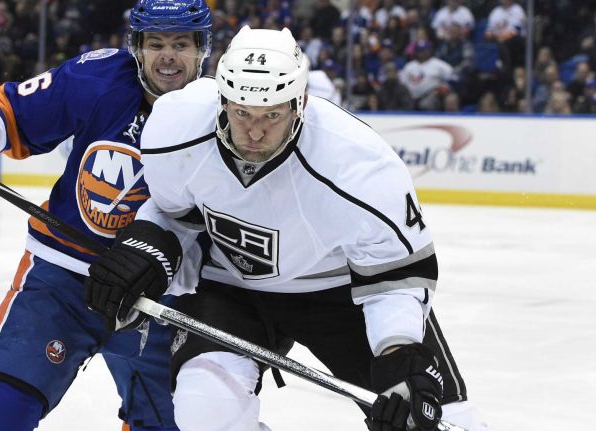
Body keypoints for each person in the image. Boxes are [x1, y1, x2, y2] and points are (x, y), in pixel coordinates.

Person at [85, 26, 491, 431]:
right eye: (242, 113)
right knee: (203, 410)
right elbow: (174, 214)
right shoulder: (177, 127)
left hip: (342, 294)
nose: (255, 132)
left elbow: (395, 275)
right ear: (223, 101)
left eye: (272, 115)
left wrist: (398, 350)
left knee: (432, 423)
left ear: (301, 102)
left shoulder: (358, 164)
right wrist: (148, 249)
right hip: (232, 289)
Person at [0, 1, 211, 430]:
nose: (168, 56)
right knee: (0, 409)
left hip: (160, 296)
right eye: (155, 43)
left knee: (178, 422)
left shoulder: (223, 113)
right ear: (136, 47)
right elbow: (12, 111)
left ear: (203, 49)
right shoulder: (97, 76)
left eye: (181, 44)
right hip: (65, 279)